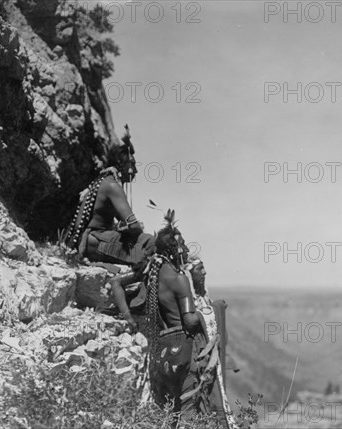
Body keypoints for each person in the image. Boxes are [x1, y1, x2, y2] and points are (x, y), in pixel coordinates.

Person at [144, 211, 238, 429]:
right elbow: (190, 321)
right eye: (183, 246)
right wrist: (204, 312)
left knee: (171, 408)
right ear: (174, 249)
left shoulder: (155, 275)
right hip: (185, 350)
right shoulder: (179, 279)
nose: (186, 250)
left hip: (164, 350)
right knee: (189, 408)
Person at [63, 125, 155, 267]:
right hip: (93, 241)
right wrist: (133, 228)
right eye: (133, 165)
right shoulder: (113, 186)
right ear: (122, 165)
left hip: (86, 239)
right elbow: (134, 226)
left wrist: (125, 227)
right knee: (149, 241)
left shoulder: (102, 180)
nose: (135, 170)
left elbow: (124, 221)